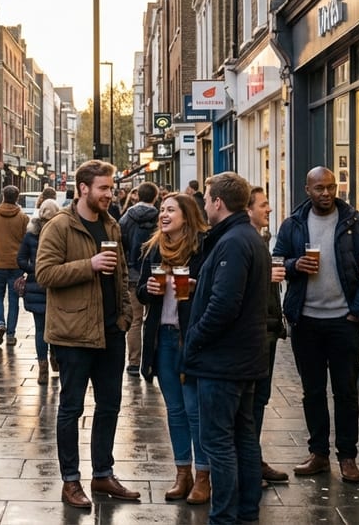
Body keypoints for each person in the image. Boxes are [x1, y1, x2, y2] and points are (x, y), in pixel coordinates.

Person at [35, 159, 140, 509]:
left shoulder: (112, 225)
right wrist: (89, 266)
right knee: (71, 408)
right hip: (74, 334)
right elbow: (45, 274)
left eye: (111, 188)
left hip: (111, 331)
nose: (110, 194)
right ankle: (70, 481)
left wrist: (125, 315)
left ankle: (103, 473)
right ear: (83, 188)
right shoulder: (59, 227)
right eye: (104, 188)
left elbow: (122, 274)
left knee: (110, 405)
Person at [272, 166, 359, 484]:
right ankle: (318, 453)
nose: (326, 193)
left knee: (346, 392)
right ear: (307, 189)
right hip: (306, 322)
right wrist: (295, 264)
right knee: (313, 391)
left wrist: (358, 312)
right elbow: (277, 262)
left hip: (344, 322)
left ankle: (347, 456)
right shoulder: (293, 224)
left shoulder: (356, 223)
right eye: (319, 188)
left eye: (331, 187)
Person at [182, 172, 269, 524]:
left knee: (218, 442)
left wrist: (195, 338)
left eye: (206, 198)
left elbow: (225, 304)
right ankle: (246, 513)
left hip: (223, 361)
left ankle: (224, 517)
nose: (204, 204)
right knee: (244, 437)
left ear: (218, 202)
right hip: (243, 358)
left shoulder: (233, 241)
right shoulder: (246, 237)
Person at [135, 192, 211, 503]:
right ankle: (183, 473)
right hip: (162, 337)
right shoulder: (154, 249)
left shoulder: (202, 248)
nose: (164, 215)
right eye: (162, 210)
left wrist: (193, 287)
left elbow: (215, 291)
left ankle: (204, 475)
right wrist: (148, 289)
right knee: (175, 410)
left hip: (190, 338)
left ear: (187, 215)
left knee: (195, 410)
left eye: (170, 210)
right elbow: (141, 292)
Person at [246, 186, 290, 486]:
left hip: (269, 327)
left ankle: (254, 457)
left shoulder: (262, 238)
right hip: (255, 331)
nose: (269, 209)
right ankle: (249, 463)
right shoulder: (243, 241)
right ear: (248, 209)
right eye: (263, 205)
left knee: (260, 399)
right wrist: (266, 276)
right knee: (250, 402)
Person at [17, 199, 60, 385]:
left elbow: (20, 260)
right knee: (57, 329)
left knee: (40, 329)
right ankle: (55, 359)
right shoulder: (59, 233)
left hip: (35, 287)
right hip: (55, 288)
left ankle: (42, 369)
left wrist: (34, 269)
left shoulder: (30, 235)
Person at [120, 181, 159, 377]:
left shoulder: (127, 218)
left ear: (137, 196)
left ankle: (134, 362)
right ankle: (151, 362)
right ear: (155, 197)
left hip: (133, 274)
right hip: (155, 274)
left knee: (135, 320)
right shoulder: (160, 217)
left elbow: (121, 245)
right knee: (154, 318)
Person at [0, 185, 28, 347]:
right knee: (13, 300)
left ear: (3, 196)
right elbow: (26, 242)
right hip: (16, 265)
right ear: (17, 197)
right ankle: (11, 335)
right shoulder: (23, 218)